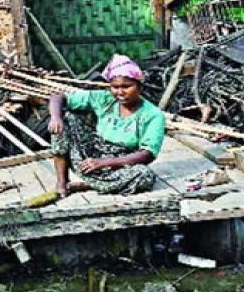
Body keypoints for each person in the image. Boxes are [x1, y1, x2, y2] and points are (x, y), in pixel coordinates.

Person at [48, 54, 166, 197]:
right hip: (89, 158)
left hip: (121, 165)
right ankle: (62, 182)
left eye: (126, 87)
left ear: (140, 87)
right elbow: (58, 97)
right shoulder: (104, 99)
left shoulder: (153, 114)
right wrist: (56, 118)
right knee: (65, 119)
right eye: (115, 87)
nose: (120, 92)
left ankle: (91, 184)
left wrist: (104, 162)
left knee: (144, 175)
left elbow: (147, 154)